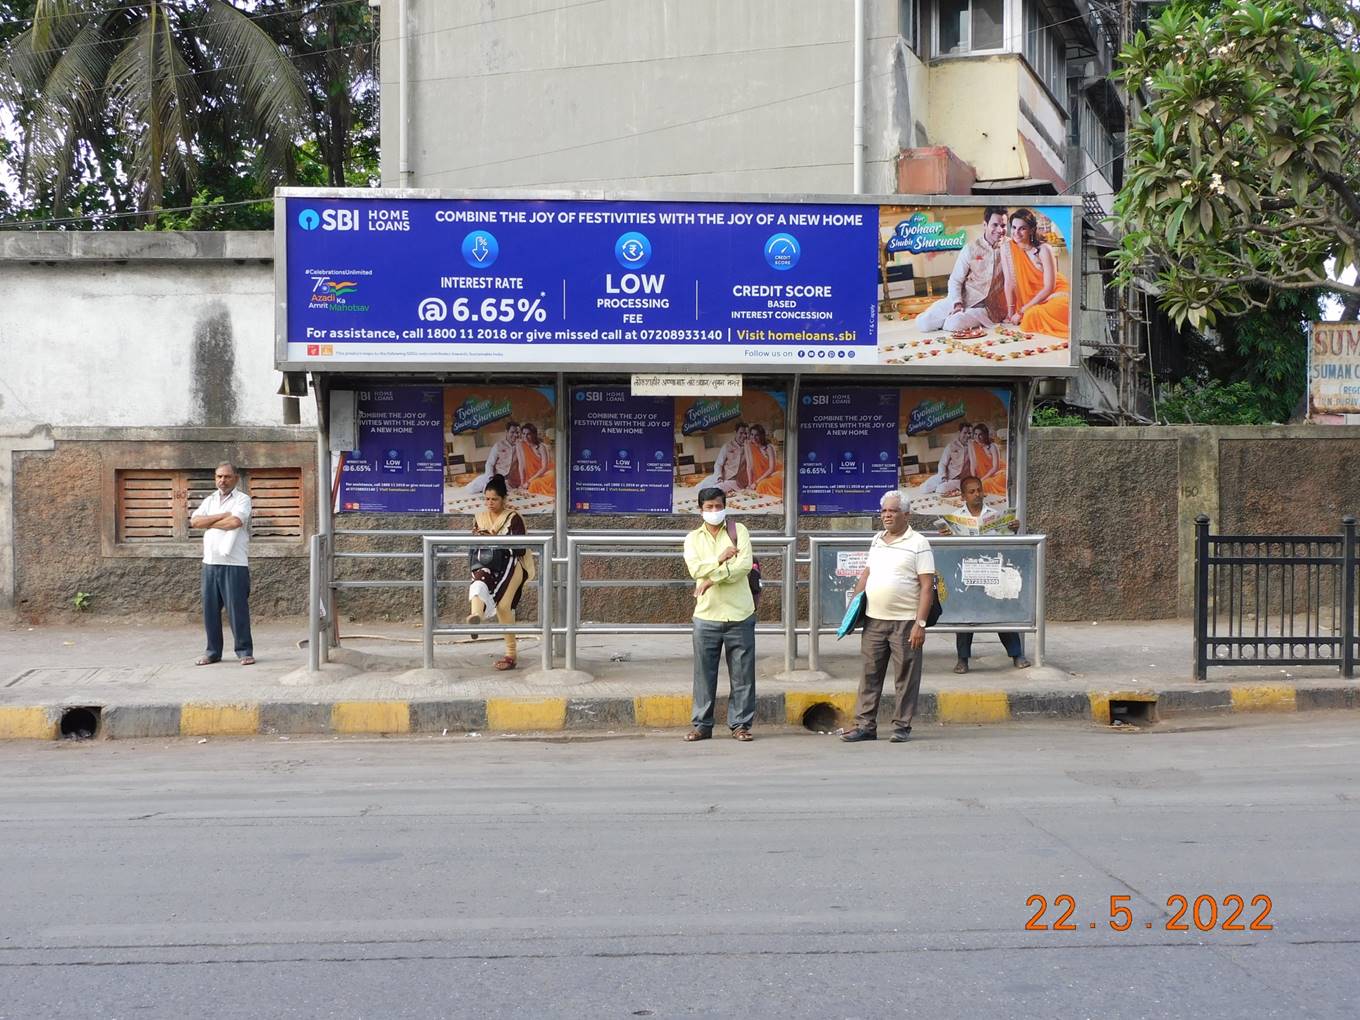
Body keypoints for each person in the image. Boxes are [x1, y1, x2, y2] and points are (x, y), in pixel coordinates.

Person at [842, 490, 935, 743]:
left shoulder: (919, 543)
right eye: (883, 511)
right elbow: (866, 574)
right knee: (869, 674)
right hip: (874, 620)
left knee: (906, 676)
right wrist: (852, 609)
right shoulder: (877, 540)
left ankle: (902, 726)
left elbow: (927, 586)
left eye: (892, 511)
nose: (886, 515)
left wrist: (920, 624)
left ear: (906, 514)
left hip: (905, 623)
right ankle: (865, 725)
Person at [682, 486, 756, 742]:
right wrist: (720, 559)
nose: (714, 511)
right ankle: (702, 725)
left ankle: (741, 725)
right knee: (704, 674)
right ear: (700, 510)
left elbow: (743, 566)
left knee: (743, 674)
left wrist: (712, 579)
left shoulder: (739, 531)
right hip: (707, 615)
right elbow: (695, 570)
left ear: (725, 506)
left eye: (717, 506)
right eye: (709, 507)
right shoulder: (693, 538)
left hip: (740, 613)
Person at [944, 476, 1030, 674]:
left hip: (992, 570)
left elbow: (1006, 544)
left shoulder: (995, 515)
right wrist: (947, 537)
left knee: (1002, 612)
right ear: (964, 496)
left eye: (979, 490)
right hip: (967, 572)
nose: (977, 495)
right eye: (971, 492)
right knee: (966, 617)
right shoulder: (956, 517)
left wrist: (1012, 530)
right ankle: (963, 659)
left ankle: (1017, 654)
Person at [467, 474, 535, 671]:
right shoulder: (479, 518)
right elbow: (475, 545)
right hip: (488, 564)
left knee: (504, 607)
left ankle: (511, 654)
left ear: (504, 499)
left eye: (494, 499)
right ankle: (476, 616)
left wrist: (495, 540)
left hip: (514, 564)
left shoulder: (513, 518)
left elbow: (520, 549)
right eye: (486, 499)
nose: (490, 503)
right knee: (479, 579)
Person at [190, 462, 254, 666]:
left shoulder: (243, 499)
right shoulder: (210, 499)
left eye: (226, 477)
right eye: (219, 476)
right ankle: (212, 652)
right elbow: (195, 522)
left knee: (237, 609)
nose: (222, 481)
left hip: (234, 563)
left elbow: (235, 522)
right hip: (210, 562)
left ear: (235, 478)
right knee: (210, 610)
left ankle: (244, 651)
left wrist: (209, 522)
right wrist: (221, 516)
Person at [913, 207, 1009, 332]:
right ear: (985, 225)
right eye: (995, 225)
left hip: (987, 307)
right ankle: (951, 314)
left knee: (953, 325)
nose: (1000, 230)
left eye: (1003, 225)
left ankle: (955, 318)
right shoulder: (971, 248)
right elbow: (955, 280)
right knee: (923, 323)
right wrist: (957, 303)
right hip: (964, 298)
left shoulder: (1010, 248)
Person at [1000, 207, 1071, 338]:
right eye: (1014, 227)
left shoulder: (1044, 250)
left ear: (1032, 230)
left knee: (1036, 314)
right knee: (1031, 316)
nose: (1016, 233)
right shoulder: (1007, 249)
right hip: (1030, 302)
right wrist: (1011, 312)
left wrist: (1021, 311)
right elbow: (1009, 282)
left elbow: (1049, 288)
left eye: (1022, 228)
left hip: (1055, 294)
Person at [460, 422, 521, 495]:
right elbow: (489, 463)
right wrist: (490, 477)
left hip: (510, 478)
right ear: (506, 432)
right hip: (495, 475)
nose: (515, 435)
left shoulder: (520, 446)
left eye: (517, 432)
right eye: (512, 432)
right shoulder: (498, 445)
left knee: (501, 491)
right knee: (471, 489)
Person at [918, 422, 974, 495]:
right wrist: (943, 476)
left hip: (959, 479)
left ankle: (948, 487)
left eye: (969, 433)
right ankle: (942, 485)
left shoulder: (972, 446)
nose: (967, 435)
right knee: (924, 489)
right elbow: (942, 463)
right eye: (965, 433)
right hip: (947, 475)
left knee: (940, 490)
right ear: (959, 432)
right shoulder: (951, 445)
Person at [697, 421, 750, 494]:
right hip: (725, 476)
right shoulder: (727, 446)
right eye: (741, 433)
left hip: (738, 480)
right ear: (735, 433)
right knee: (700, 487)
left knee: (716, 490)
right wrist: (719, 476)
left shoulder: (749, 447)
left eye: (745, 433)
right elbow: (719, 464)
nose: (744, 436)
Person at [517, 422, 555, 497]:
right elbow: (521, 465)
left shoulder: (541, 447)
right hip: (532, 476)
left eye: (528, 434)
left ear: (534, 434)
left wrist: (528, 482)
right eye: (524, 434)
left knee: (537, 482)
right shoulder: (520, 445)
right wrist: (522, 483)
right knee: (534, 483)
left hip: (545, 473)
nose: (526, 437)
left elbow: (544, 468)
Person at [745, 423, 783, 497]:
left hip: (775, 473)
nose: (754, 437)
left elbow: (771, 469)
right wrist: (750, 484)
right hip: (761, 476)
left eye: (757, 435)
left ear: (762, 436)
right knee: (761, 485)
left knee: (762, 485)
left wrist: (756, 483)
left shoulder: (769, 447)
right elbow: (749, 466)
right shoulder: (749, 446)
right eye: (752, 435)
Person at [969, 422, 1007, 497]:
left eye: (980, 434)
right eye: (975, 434)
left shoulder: (993, 446)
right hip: (984, 474)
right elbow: (973, 464)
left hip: (998, 472)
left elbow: (995, 468)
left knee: (986, 483)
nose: (977, 437)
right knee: (980, 485)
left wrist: (981, 480)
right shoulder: (972, 445)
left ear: (985, 435)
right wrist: (974, 480)